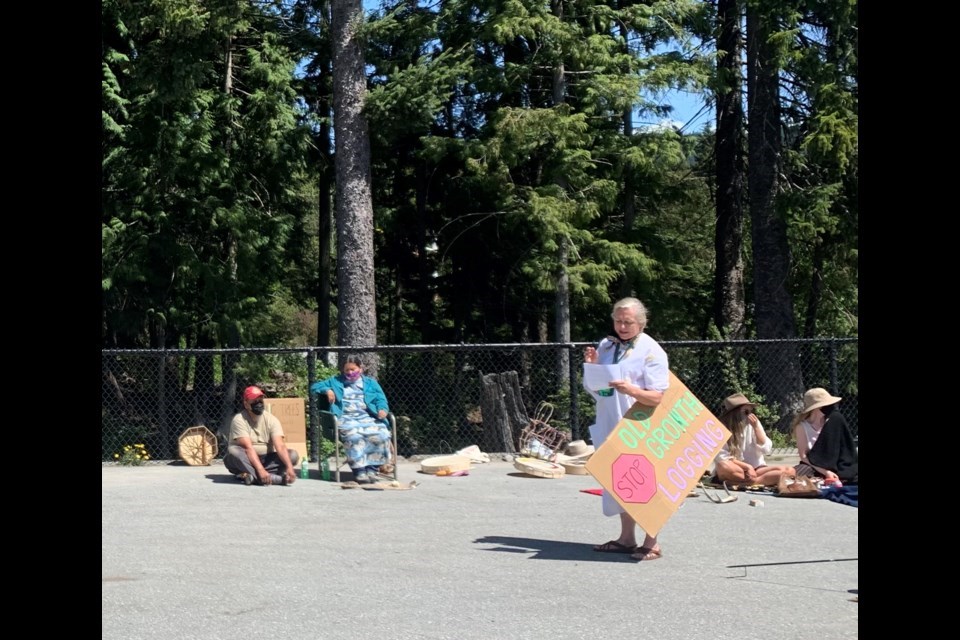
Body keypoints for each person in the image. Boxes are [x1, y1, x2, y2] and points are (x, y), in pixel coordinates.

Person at [583, 297, 669, 562]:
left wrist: (630, 389)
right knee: (618, 480)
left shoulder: (652, 350)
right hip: (610, 421)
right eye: (618, 321)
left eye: (628, 322)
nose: (621, 326)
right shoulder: (606, 346)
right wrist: (594, 366)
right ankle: (626, 538)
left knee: (645, 481)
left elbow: (656, 396)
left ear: (641, 323)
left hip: (639, 424)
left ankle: (651, 541)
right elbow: (598, 387)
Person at [310, 354, 392, 485]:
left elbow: (381, 400)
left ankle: (372, 469)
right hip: (345, 418)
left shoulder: (371, 383)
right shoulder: (335, 381)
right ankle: (359, 471)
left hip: (368, 417)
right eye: (347, 370)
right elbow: (314, 387)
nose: (350, 372)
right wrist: (327, 390)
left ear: (361, 368)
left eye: (353, 369)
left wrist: (382, 409)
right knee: (354, 437)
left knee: (382, 434)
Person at [713, 393, 795, 486]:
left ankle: (748, 482)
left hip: (756, 469)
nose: (750, 414)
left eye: (751, 410)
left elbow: (766, 449)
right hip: (737, 470)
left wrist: (756, 428)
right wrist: (747, 467)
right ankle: (759, 480)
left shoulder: (753, 423)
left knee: (789, 471)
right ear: (734, 413)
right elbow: (722, 457)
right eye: (746, 411)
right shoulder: (720, 429)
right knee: (723, 466)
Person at [223, 385, 299, 486]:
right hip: (246, 459)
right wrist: (260, 470)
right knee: (234, 453)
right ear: (246, 404)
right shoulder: (239, 420)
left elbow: (280, 446)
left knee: (292, 455)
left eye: (260, 400)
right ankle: (275, 478)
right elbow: (248, 448)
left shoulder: (272, 420)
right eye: (254, 401)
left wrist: (289, 467)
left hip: (266, 459)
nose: (258, 404)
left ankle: (251, 476)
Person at [792, 387, 859, 485]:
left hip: (836, 464)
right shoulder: (802, 427)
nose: (831, 407)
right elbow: (804, 456)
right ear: (817, 408)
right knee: (789, 472)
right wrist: (825, 472)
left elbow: (846, 449)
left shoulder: (835, 420)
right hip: (814, 465)